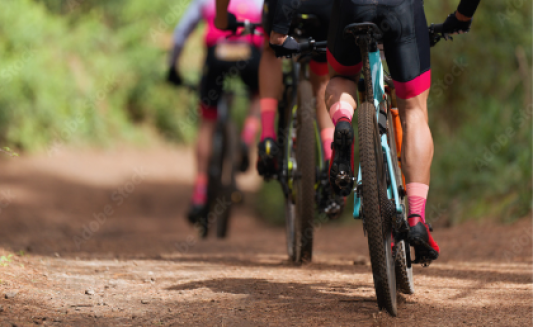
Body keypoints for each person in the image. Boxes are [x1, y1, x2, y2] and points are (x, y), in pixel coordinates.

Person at [318, 0, 480, 263]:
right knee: (414, 111)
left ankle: (344, 121)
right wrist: (462, 16)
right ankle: (416, 219)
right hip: (401, 10)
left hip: (351, 9)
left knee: (342, 78)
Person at [216, 0, 343, 218]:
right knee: (321, 79)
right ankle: (331, 158)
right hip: (325, 8)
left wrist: (221, 19)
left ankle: (267, 136)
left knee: (269, 49)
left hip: (283, 10)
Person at [167, 0, 264, 222]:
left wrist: (173, 67)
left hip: (217, 53)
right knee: (259, 95)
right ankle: (246, 138)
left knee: (208, 122)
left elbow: (181, 33)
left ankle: (200, 194)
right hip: (250, 53)